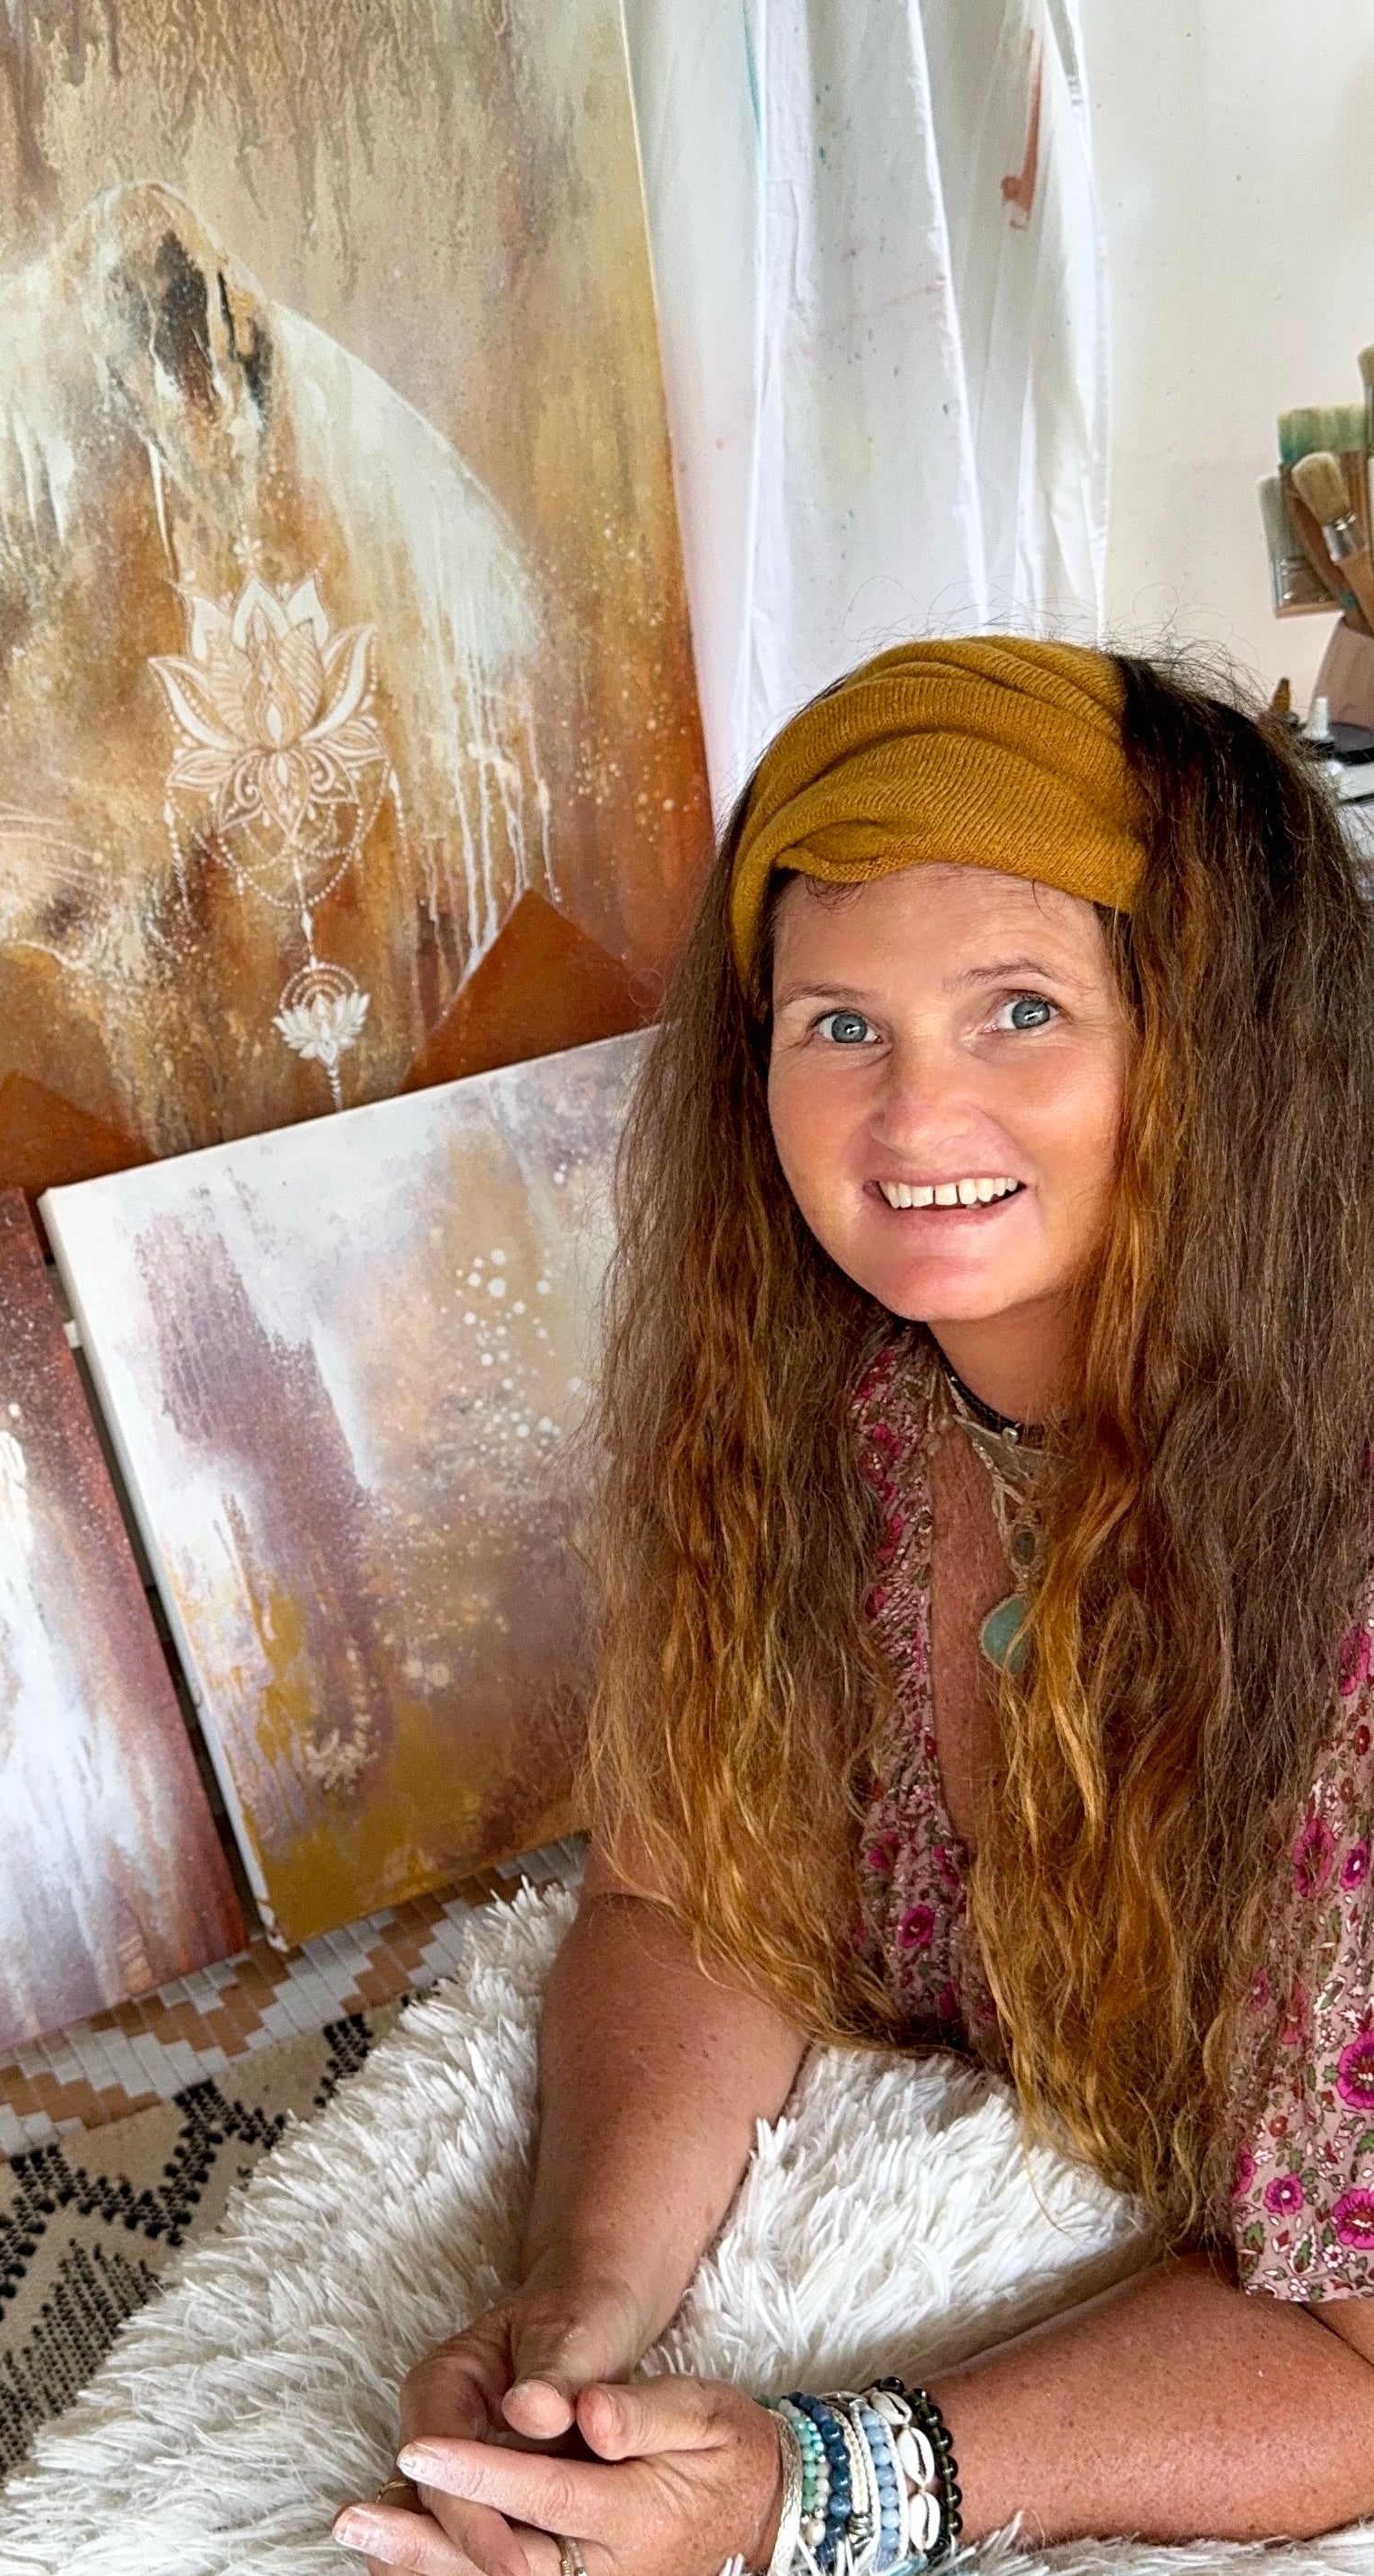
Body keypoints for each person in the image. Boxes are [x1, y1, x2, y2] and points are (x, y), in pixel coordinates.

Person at [332, 641, 1374, 2576]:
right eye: (838, 1024)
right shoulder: (832, 1407)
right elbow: (688, 1894)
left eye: (1021, 1007)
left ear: (1220, 1047)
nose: (912, 1115)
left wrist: (812, 2486)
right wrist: (575, 2333)